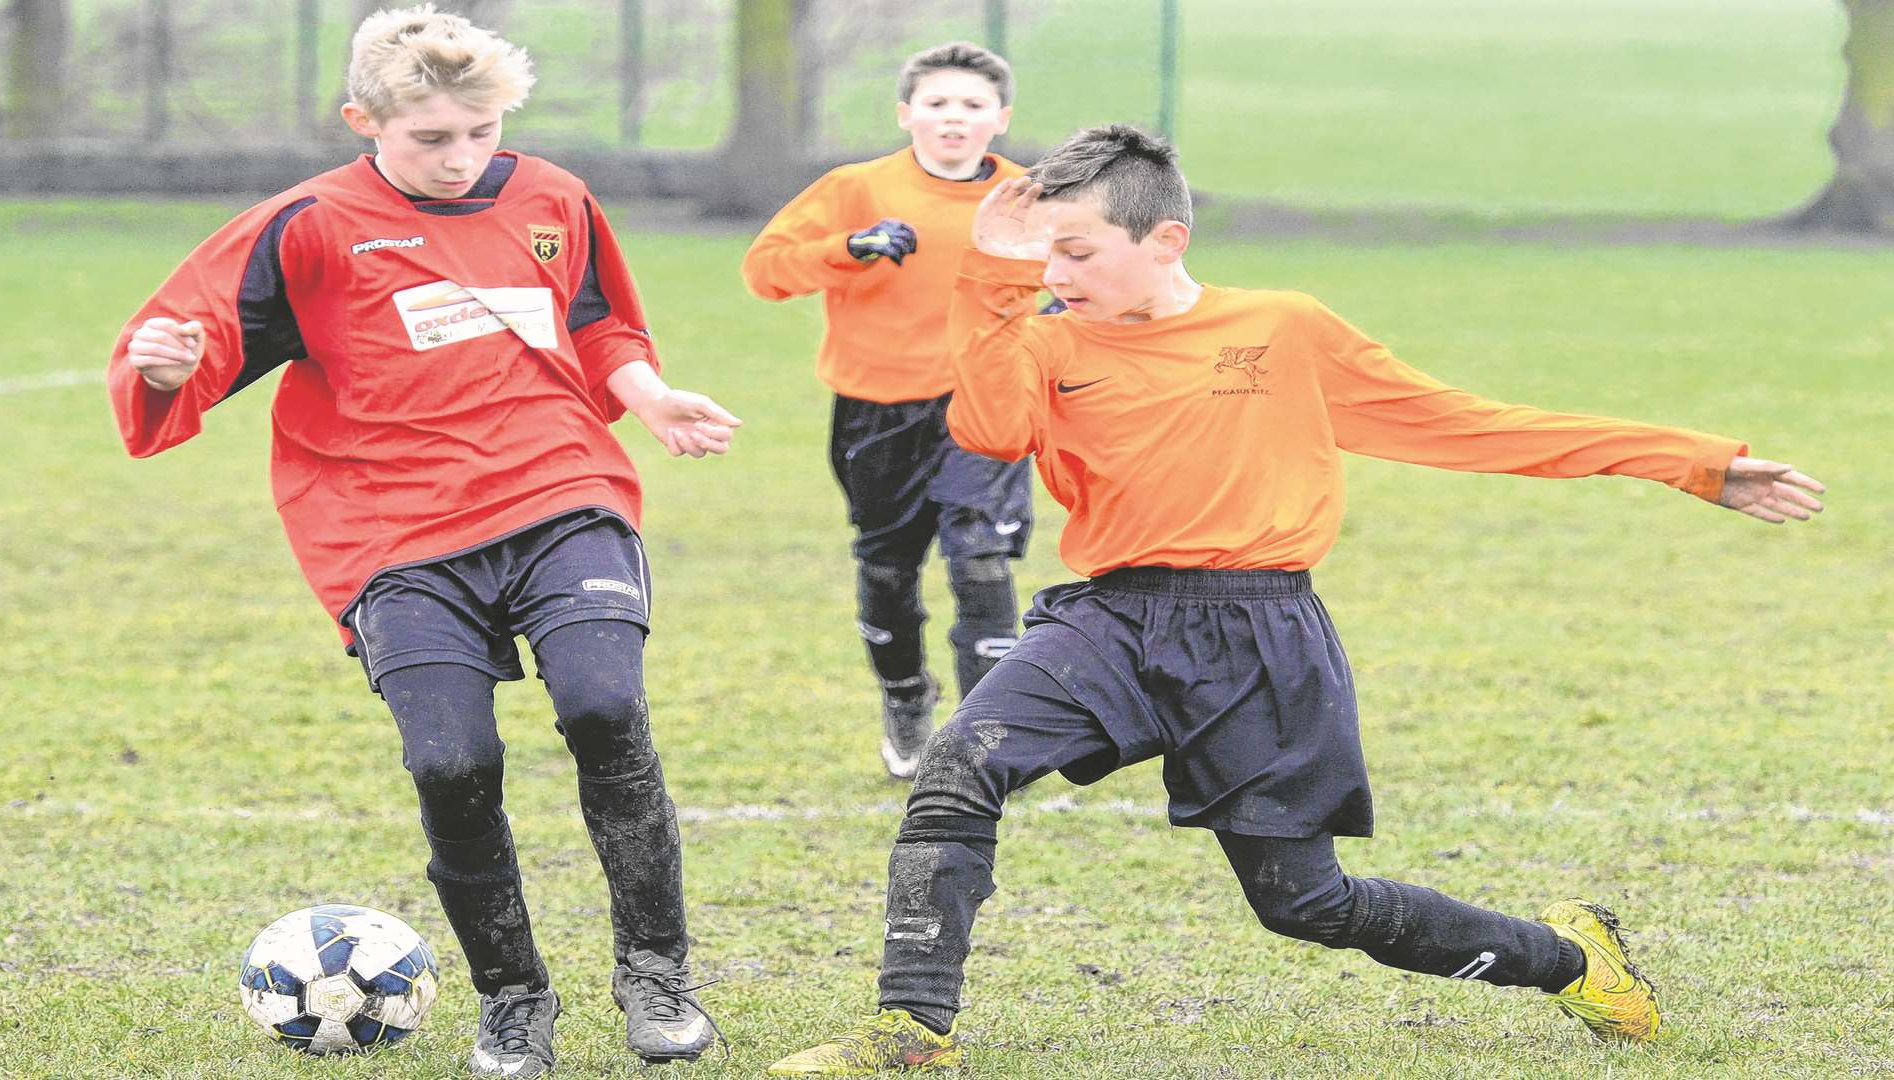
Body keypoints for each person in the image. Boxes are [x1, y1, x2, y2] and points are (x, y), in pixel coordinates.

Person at [766, 124, 1827, 1073]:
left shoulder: (1283, 329)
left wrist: (1688, 461)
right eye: (1043, 253)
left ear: (1166, 240)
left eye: (1076, 252)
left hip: (1260, 635)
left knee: (1306, 906)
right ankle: (910, 1032)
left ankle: (1569, 961)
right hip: (1113, 619)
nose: (1057, 272)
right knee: (959, 766)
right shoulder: (1043, 336)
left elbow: (1473, 425)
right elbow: (988, 432)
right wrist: (990, 280)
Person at [107, 6, 739, 1074]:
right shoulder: (305, 225)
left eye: (481, 132)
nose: (461, 158)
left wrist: (649, 391)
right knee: (452, 761)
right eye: (430, 139)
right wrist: (167, 368)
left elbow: (596, 321)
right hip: (390, 530)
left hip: (557, 486)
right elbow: (188, 341)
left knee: (603, 704)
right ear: (364, 119)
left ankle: (656, 974)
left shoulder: (554, 197)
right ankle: (513, 997)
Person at [742, 42, 1037, 779]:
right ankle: (906, 695)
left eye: (972, 106)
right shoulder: (856, 188)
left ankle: (983, 739)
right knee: (887, 571)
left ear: (1000, 119)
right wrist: (850, 247)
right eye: (937, 104)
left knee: (981, 559)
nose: (953, 119)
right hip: (877, 413)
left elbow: (1079, 273)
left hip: (982, 405)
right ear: (907, 114)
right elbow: (765, 272)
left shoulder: (1028, 198)